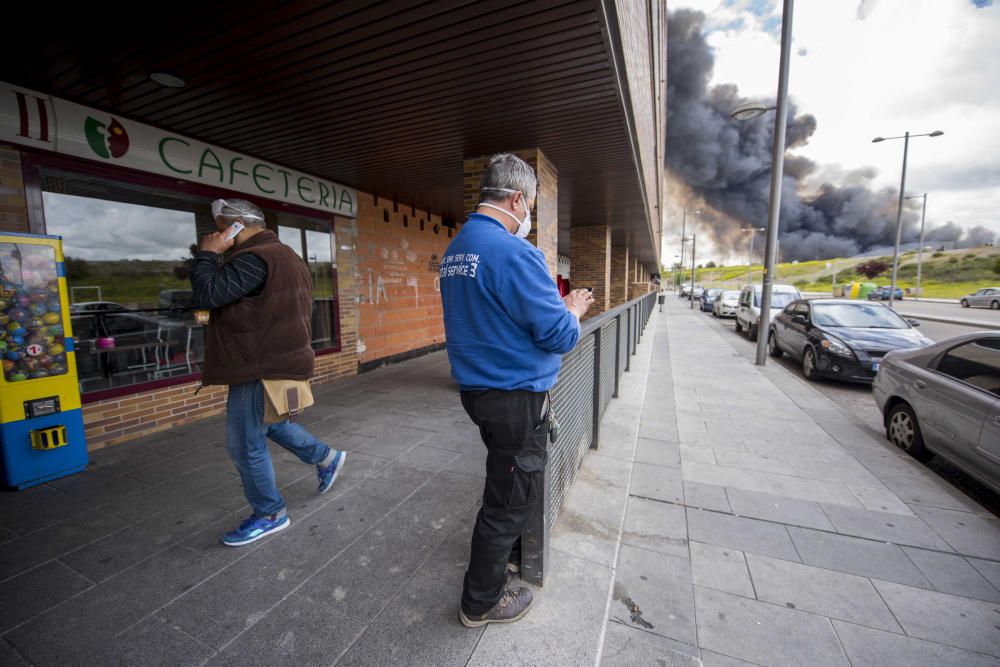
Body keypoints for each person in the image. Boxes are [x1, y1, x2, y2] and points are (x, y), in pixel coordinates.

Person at [439, 154, 594, 627]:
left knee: (506, 482)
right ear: (518, 199)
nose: (529, 218)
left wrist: (555, 308)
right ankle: (480, 601)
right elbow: (560, 336)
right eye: (531, 207)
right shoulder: (514, 251)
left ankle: (502, 559)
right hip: (514, 398)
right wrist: (571, 310)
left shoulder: (457, 249)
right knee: (509, 499)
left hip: (479, 392)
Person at [190, 198, 346, 547]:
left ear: (236, 226)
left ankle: (270, 513)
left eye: (220, 228)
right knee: (270, 422)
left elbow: (208, 293)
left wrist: (207, 254)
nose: (215, 234)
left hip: (257, 363)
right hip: (278, 359)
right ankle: (325, 457)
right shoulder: (287, 255)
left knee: (245, 445)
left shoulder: (253, 259)